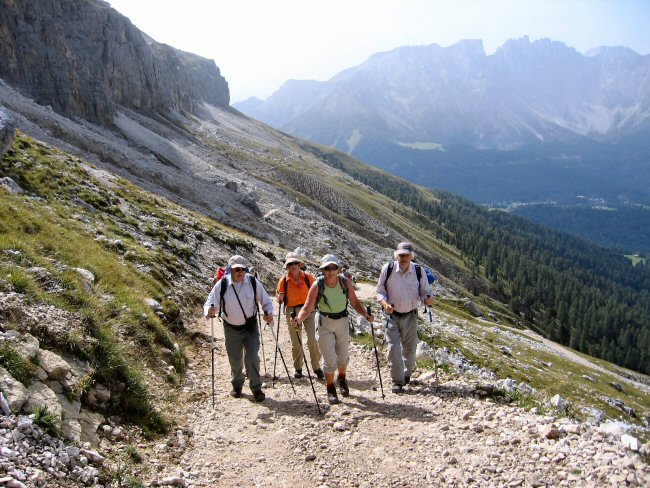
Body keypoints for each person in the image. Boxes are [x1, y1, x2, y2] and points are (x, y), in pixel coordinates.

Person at [291, 254, 374, 404]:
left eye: (333, 268)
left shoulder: (345, 282)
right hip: (324, 322)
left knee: (343, 357)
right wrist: (299, 319)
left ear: (338, 269)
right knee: (330, 359)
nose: (331, 271)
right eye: (327, 268)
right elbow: (308, 306)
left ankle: (341, 378)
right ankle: (330, 388)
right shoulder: (318, 284)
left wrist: (367, 315)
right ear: (323, 270)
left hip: (342, 321)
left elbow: (355, 303)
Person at [204, 255, 274, 402]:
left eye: (243, 269)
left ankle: (256, 388)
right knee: (235, 359)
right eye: (237, 269)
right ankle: (237, 385)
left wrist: (268, 313)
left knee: (252, 357)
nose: (240, 272)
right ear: (230, 269)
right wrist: (210, 311)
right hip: (231, 328)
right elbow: (211, 303)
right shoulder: (222, 284)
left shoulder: (253, 282)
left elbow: (266, 301)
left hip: (250, 327)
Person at [376, 242, 433, 394]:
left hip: (410, 314)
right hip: (391, 315)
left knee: (410, 348)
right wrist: (385, 304)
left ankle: (406, 374)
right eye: (401, 255)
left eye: (406, 255)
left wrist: (428, 298)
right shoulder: (387, 269)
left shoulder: (419, 271)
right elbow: (380, 291)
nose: (403, 258)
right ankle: (397, 381)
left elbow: (425, 291)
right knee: (393, 348)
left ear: (411, 256)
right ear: (397, 255)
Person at [276, 252, 324, 380]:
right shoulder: (283, 281)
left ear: (299, 264)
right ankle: (298, 368)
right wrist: (279, 298)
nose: (293, 266)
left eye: (295, 263)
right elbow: (279, 296)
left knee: (312, 339)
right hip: (292, 311)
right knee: (296, 341)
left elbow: (318, 290)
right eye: (290, 264)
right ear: (287, 266)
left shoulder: (308, 277)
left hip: (308, 310)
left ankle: (316, 367)